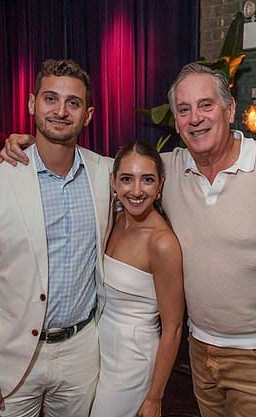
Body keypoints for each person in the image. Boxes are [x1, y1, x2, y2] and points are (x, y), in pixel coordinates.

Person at [1, 63, 256, 417]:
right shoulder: (165, 170)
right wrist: (33, 146)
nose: (195, 118)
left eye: (206, 105)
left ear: (231, 110)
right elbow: (111, 169)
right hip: (199, 351)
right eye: (184, 110)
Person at [0, 58, 111, 417]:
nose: (60, 110)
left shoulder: (107, 173)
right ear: (31, 104)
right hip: (11, 357)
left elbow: (160, 173)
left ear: (88, 115)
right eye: (50, 99)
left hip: (82, 353)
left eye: (73, 103)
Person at [90, 142, 184, 417]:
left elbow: (173, 328)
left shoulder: (162, 243)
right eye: (127, 179)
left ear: (160, 185)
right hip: (99, 349)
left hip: (133, 359)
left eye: (147, 180)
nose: (136, 190)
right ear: (113, 181)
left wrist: (155, 397)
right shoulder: (114, 219)